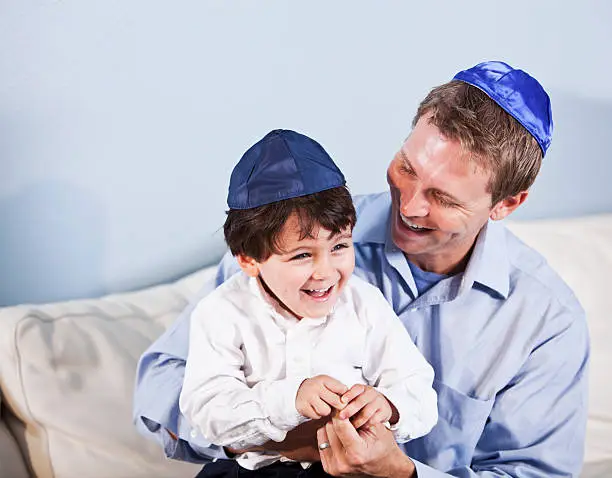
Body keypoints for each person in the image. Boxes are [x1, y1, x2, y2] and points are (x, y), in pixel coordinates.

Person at [133, 61, 589, 477]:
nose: (409, 206)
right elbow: (160, 391)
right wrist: (268, 430)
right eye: (407, 168)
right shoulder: (291, 232)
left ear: (507, 203)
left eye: (444, 198)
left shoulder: (546, 321)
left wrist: (401, 472)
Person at [179, 129, 438, 476]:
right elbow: (208, 410)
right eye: (302, 255)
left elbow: (417, 386)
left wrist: (389, 406)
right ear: (248, 260)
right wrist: (291, 400)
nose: (326, 272)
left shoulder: (364, 304)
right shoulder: (222, 312)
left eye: (339, 247)